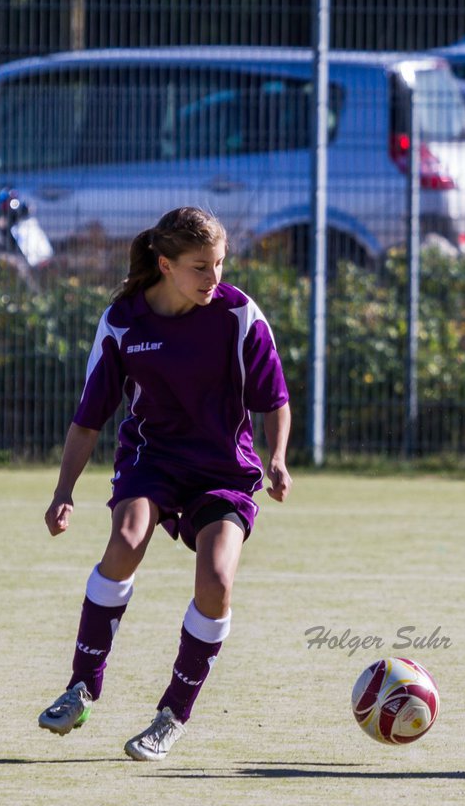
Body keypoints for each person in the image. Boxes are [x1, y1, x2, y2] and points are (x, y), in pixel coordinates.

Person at [38, 206, 293, 761]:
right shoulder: (125, 321)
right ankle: (82, 686)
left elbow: (275, 399)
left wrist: (277, 458)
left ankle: (173, 713)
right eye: (200, 267)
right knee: (126, 542)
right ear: (166, 264)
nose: (214, 278)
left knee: (218, 578)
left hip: (224, 470)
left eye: (220, 264)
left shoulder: (238, 315)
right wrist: (64, 492)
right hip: (152, 461)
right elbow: (89, 418)